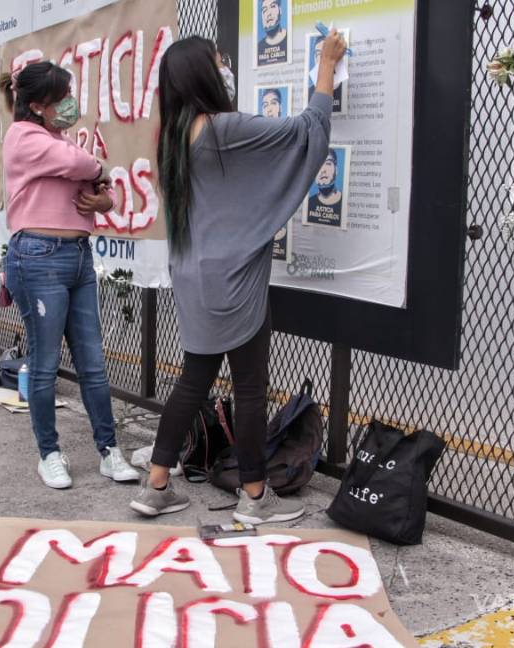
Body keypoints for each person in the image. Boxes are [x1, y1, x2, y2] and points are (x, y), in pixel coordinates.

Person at [130, 33, 346, 524]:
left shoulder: (169, 135)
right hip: (232, 279)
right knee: (249, 387)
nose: (225, 65)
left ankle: (157, 484)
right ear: (203, 74)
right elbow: (308, 130)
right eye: (218, 59)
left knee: (193, 380)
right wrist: (326, 65)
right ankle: (254, 497)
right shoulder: (224, 129)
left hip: (191, 274)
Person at [0, 62, 140, 489]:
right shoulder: (24, 137)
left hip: (77, 255)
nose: (69, 104)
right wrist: (99, 172)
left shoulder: (56, 139)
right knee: (44, 365)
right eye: (61, 98)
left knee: (93, 363)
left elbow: (104, 191)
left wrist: (103, 199)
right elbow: (83, 165)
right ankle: (49, 454)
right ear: (38, 105)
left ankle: (109, 451)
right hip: (37, 257)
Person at [307, 149, 344, 222]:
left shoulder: (343, 204)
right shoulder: (310, 203)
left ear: (336, 170)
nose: (323, 170)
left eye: (328, 163)